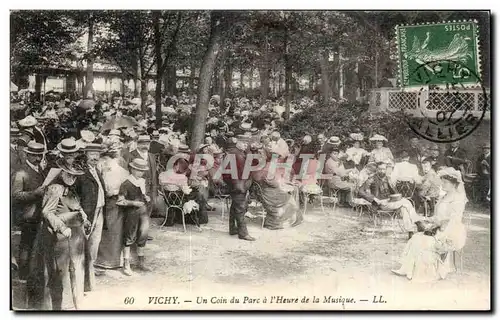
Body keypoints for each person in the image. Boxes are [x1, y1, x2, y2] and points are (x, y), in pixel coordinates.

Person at [27, 159, 90, 310]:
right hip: (59, 237)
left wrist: (84, 216)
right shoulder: (55, 188)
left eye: (75, 176)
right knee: (60, 274)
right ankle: (60, 307)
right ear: (62, 172)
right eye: (70, 175)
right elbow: (47, 212)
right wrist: (62, 227)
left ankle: (73, 303)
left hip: (74, 237)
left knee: (74, 269)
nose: (73, 179)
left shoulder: (71, 188)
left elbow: (75, 205)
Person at [392, 167, 468, 281]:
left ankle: (431, 272)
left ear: (453, 184)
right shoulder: (444, 196)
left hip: (451, 231)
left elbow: (454, 220)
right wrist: (428, 219)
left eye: (445, 182)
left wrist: (439, 229)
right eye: (442, 181)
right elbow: (439, 216)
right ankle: (406, 268)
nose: (442, 184)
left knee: (423, 241)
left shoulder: (457, 199)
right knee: (415, 238)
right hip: (440, 227)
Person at [11, 141, 47, 280]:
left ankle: (32, 274)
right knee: (26, 245)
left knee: (34, 245)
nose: (38, 158)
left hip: (38, 212)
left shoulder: (40, 170)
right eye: (34, 156)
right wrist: (35, 193)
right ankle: (23, 276)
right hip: (27, 215)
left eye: (40, 156)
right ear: (27, 154)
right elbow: (15, 195)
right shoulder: (21, 172)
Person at [358, 162, 422, 237]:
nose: (382, 171)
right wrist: (374, 198)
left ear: (386, 169)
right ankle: (418, 223)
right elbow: (360, 191)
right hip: (381, 204)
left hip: (390, 202)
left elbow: (394, 192)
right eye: (380, 169)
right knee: (406, 202)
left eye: (383, 169)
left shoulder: (387, 178)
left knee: (404, 207)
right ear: (377, 169)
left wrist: (394, 187)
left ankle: (410, 232)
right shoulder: (372, 178)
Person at [74, 143, 106, 292]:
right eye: (92, 153)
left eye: (97, 154)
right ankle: (82, 276)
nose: (95, 157)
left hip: (99, 210)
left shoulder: (97, 169)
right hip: (88, 212)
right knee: (84, 243)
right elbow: (76, 195)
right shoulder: (81, 171)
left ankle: (90, 272)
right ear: (85, 154)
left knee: (94, 242)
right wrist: (82, 213)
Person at [95, 141, 129, 270]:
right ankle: (103, 259)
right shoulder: (103, 164)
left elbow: (124, 182)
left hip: (115, 201)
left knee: (115, 230)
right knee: (106, 229)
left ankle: (112, 260)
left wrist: (116, 192)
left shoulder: (120, 166)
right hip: (106, 201)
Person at [117, 158, 153, 275]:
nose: (140, 173)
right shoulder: (126, 183)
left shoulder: (142, 181)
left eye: (142, 171)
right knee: (129, 236)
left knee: (143, 235)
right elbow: (120, 201)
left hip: (143, 213)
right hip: (131, 213)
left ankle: (141, 262)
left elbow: (143, 195)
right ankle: (126, 263)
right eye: (138, 170)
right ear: (132, 169)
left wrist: (146, 198)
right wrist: (133, 203)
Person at [251, 144, 299, 230]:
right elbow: (273, 182)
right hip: (269, 194)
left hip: (263, 192)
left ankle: (278, 219)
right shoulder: (270, 167)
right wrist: (280, 184)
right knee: (289, 197)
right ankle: (282, 220)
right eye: (277, 158)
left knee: (287, 192)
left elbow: (270, 180)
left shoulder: (265, 166)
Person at [224, 141, 255, 241]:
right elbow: (229, 172)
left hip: (238, 184)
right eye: (244, 143)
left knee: (235, 207)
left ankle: (232, 228)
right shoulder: (235, 154)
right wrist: (237, 184)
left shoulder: (237, 153)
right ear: (238, 144)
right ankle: (243, 233)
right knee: (240, 208)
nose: (247, 145)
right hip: (238, 185)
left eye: (247, 144)